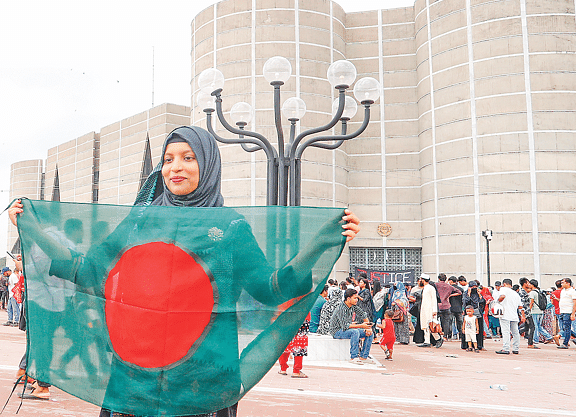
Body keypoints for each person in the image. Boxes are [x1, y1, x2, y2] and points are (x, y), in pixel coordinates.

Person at [9, 125, 361, 417]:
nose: (175, 167)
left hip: (203, 381)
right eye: (168, 159)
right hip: (135, 378)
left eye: (188, 158)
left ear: (208, 165)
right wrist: (34, 230)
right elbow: (87, 270)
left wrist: (320, 244)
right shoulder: (140, 221)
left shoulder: (231, 227)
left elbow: (270, 288)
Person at [329, 289, 374, 364]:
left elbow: (363, 314)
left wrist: (368, 328)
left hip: (346, 329)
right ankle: (354, 357)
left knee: (370, 333)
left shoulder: (353, 306)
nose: (357, 300)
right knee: (355, 332)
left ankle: (363, 356)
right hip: (337, 331)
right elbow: (345, 326)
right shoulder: (341, 308)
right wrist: (362, 326)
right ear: (348, 298)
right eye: (355, 298)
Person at [495, 279, 524, 355]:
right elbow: (520, 306)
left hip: (505, 314)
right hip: (514, 315)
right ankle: (516, 349)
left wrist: (497, 302)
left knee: (506, 332)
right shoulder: (515, 293)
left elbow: (502, 296)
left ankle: (506, 348)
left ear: (504, 284)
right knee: (515, 332)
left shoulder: (503, 289)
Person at [278, 314, 310, 378]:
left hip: (285, 315)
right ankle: (296, 371)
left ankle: (283, 368)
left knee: (285, 341)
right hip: (302, 316)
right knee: (299, 343)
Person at [416, 274, 443, 348]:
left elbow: (434, 299)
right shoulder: (425, 288)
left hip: (430, 310)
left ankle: (438, 339)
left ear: (423, 280)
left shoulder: (431, 288)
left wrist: (434, 310)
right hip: (424, 309)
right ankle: (427, 341)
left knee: (431, 325)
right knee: (425, 326)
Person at [529, 279, 555, 345]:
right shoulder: (539, 292)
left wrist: (529, 309)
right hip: (541, 311)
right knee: (539, 326)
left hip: (535, 311)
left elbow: (531, 302)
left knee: (535, 326)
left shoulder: (532, 292)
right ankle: (549, 336)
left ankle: (535, 339)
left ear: (532, 285)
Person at [557, 278, 576, 350]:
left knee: (567, 328)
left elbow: (575, 303)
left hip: (568, 311)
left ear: (568, 283)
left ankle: (565, 343)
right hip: (562, 311)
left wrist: (573, 313)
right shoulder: (563, 291)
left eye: (563, 282)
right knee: (564, 328)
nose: (562, 284)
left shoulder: (572, 291)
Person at [435, 273, 455, 340]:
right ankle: (445, 336)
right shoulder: (449, 286)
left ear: (439, 278)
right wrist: (450, 295)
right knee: (446, 322)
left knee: (434, 320)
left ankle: (436, 335)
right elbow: (459, 291)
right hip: (446, 305)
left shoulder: (436, 285)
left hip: (437, 305)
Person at [519, 278, 537, 349]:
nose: (529, 284)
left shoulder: (524, 292)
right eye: (528, 283)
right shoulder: (522, 292)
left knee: (526, 327)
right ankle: (530, 343)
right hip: (526, 313)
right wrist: (523, 315)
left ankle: (513, 334)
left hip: (527, 312)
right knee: (532, 327)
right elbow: (522, 304)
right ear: (525, 284)